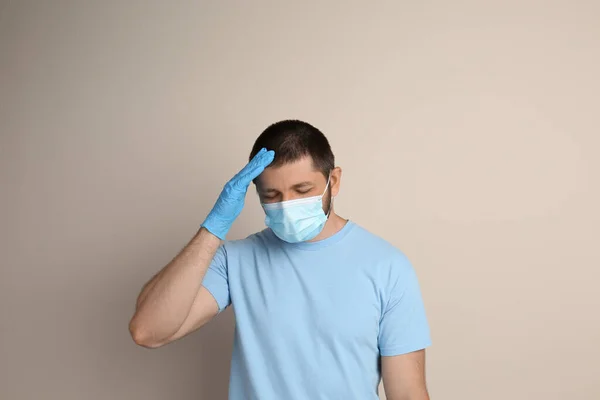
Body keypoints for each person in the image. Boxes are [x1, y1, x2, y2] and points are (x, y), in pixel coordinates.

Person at [129, 120, 432, 399]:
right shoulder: (236, 260)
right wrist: (213, 228)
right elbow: (148, 331)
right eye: (272, 195)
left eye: (302, 190)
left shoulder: (386, 266)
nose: (287, 206)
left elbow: (407, 393)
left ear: (334, 181)